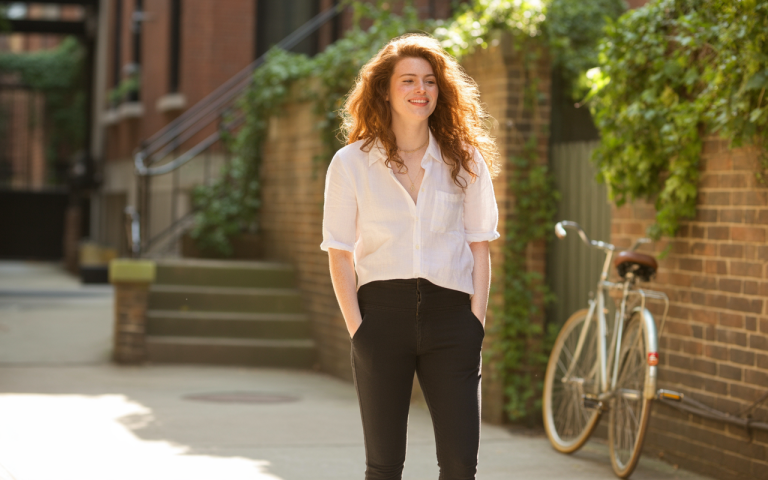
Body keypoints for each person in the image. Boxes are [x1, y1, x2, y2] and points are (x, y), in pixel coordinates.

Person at [320, 33, 500, 480]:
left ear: (441, 90)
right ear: (385, 89)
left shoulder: (468, 161)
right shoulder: (351, 163)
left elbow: (480, 244)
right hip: (380, 319)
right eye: (408, 80)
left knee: (460, 465)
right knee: (384, 467)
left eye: (430, 81)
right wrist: (357, 329)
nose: (421, 90)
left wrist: (475, 320)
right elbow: (339, 252)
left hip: (452, 320)